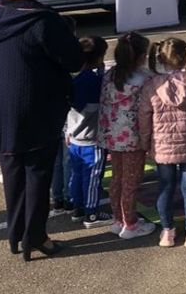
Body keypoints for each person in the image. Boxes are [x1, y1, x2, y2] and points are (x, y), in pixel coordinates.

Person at [0, 0, 84, 261]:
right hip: (36, 107)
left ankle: (16, 233)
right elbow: (73, 60)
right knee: (37, 174)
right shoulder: (43, 19)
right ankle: (35, 237)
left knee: (13, 173)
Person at [140, 37, 186, 248]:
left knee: (165, 187)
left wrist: (145, 142)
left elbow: (144, 116)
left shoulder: (152, 85)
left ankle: (167, 231)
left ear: (160, 58)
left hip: (162, 145)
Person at [98, 32, 156, 240]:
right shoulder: (145, 80)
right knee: (132, 181)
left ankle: (119, 220)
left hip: (112, 136)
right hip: (133, 138)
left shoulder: (110, 75)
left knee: (117, 179)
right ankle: (130, 224)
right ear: (141, 56)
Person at [65, 36, 111, 228]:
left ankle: (78, 207)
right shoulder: (95, 82)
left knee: (77, 174)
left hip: (73, 135)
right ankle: (92, 213)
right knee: (92, 177)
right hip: (93, 138)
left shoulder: (76, 79)